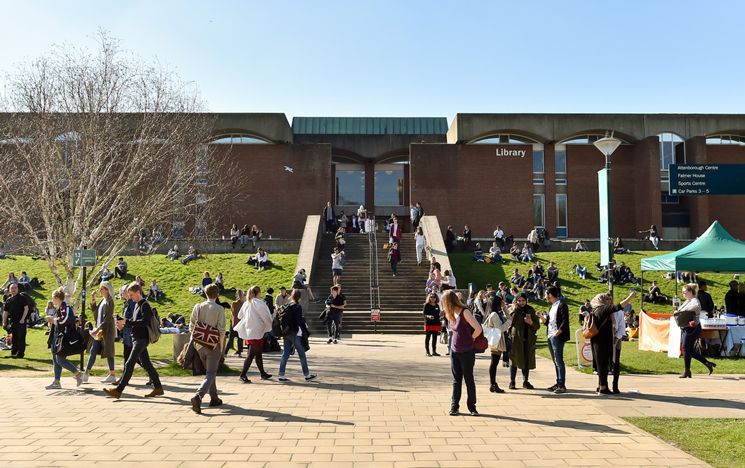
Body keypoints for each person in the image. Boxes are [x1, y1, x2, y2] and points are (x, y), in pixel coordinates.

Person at [104, 282, 164, 399]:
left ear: (138, 292)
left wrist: (127, 322)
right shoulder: (137, 305)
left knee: (129, 363)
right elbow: (134, 320)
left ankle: (118, 390)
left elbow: (144, 322)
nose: (130, 297)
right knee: (147, 364)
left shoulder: (145, 305)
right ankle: (158, 388)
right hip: (136, 338)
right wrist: (124, 321)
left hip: (142, 339)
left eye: (131, 295)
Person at [187, 284, 226, 413]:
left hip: (199, 345)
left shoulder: (198, 307)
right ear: (218, 294)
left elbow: (191, 326)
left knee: (210, 372)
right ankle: (198, 396)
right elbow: (221, 330)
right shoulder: (219, 309)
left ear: (205, 293)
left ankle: (214, 398)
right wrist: (220, 347)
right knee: (211, 373)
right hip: (213, 345)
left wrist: (197, 340)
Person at [442, 289, 481, 416]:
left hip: (467, 351)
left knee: (469, 378)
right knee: (456, 379)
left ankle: (472, 407)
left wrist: (472, 338)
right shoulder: (450, 313)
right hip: (454, 350)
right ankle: (454, 406)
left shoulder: (465, 312)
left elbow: (478, 328)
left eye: (444, 302)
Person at [589, 290, 635, 395]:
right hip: (603, 341)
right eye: (606, 299)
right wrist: (630, 297)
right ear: (602, 301)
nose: (608, 301)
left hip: (596, 340)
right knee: (603, 364)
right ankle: (603, 388)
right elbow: (618, 307)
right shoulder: (604, 309)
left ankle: (601, 385)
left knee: (600, 363)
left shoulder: (595, 310)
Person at [44, 287, 84, 389]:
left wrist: (53, 320)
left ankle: (78, 374)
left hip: (64, 338)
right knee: (55, 358)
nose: (52, 300)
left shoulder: (65, 307)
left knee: (60, 360)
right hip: (57, 337)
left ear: (57, 298)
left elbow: (65, 320)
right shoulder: (61, 307)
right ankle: (57, 381)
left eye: (53, 298)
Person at [675, 283, 716, 378]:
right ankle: (707, 363)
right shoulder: (688, 301)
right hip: (687, 327)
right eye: (682, 292)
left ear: (690, 292)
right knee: (690, 350)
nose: (683, 294)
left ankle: (687, 371)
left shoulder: (695, 301)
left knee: (686, 348)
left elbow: (695, 308)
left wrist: (680, 311)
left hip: (692, 328)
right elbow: (680, 310)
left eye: (684, 292)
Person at [277, 289, 316, 382]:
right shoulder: (297, 307)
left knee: (285, 354)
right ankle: (307, 374)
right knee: (302, 354)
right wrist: (303, 321)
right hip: (295, 333)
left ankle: (281, 374)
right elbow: (298, 321)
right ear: (299, 297)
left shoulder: (287, 306)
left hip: (287, 332)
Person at [237, 285, 273, 383]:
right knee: (252, 354)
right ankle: (242, 375)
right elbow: (266, 316)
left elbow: (240, 315)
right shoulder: (259, 303)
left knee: (258, 353)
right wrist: (269, 325)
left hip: (249, 330)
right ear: (258, 293)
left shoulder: (247, 303)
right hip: (257, 331)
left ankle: (262, 373)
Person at [84, 281, 117, 384]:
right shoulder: (103, 300)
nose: (99, 290)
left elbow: (107, 319)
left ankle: (112, 374)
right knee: (93, 350)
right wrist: (93, 300)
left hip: (106, 331)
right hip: (100, 331)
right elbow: (96, 314)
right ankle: (86, 374)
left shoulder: (109, 302)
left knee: (109, 352)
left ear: (107, 290)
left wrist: (97, 329)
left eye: (101, 289)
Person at [507, 293, 540, 390]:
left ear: (526, 301)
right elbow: (509, 323)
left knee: (526, 360)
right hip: (516, 339)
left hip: (528, 339)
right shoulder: (513, 310)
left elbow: (537, 326)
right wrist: (515, 310)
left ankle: (525, 381)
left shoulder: (530, 310)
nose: (521, 303)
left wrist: (531, 322)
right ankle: (512, 381)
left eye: (523, 301)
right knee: (514, 360)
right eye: (519, 301)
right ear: (516, 301)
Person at [541, 287, 569, 394]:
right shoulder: (552, 307)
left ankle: (562, 384)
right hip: (550, 336)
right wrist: (542, 318)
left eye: (546, 294)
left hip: (557, 336)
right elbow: (548, 322)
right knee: (555, 361)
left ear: (550, 295)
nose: (545, 297)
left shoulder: (562, 305)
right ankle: (558, 382)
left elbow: (565, 321)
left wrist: (559, 332)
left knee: (559, 360)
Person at [484, 294, 511, 393]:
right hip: (497, 341)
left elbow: (508, 317)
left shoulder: (496, 313)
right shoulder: (494, 315)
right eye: (501, 302)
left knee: (494, 363)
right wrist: (509, 323)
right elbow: (500, 329)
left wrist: (504, 308)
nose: (502, 304)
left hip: (499, 340)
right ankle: (493, 384)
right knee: (494, 363)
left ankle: (493, 384)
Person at [2, 283, 29, 358]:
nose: (14, 289)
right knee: (14, 338)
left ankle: (20, 354)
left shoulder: (22, 298)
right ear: (10, 290)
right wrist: (4, 322)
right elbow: (5, 312)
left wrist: (23, 319)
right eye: (12, 288)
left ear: (18, 289)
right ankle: (13, 353)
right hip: (13, 321)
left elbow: (26, 308)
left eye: (15, 288)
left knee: (21, 337)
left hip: (21, 321)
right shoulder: (9, 300)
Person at [610, 301, 626, 393]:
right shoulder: (603, 311)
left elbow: (622, 327)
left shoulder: (619, 312)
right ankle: (602, 385)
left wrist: (616, 338)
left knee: (616, 362)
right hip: (605, 339)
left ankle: (615, 385)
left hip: (616, 338)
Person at [225, 290, 246, 357]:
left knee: (231, 339)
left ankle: (225, 352)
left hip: (234, 323)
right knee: (240, 339)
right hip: (241, 323)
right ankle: (239, 353)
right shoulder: (244, 304)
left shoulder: (234, 303)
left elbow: (232, 313)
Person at [422, 292, 442, 357]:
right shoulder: (426, 305)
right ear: (429, 297)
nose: (432, 298)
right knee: (428, 337)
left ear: (436, 298)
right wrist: (428, 316)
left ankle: (434, 351)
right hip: (429, 323)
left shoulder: (437, 305)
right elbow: (424, 314)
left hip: (436, 323)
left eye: (434, 297)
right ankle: (427, 352)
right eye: (431, 297)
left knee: (435, 338)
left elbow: (438, 314)